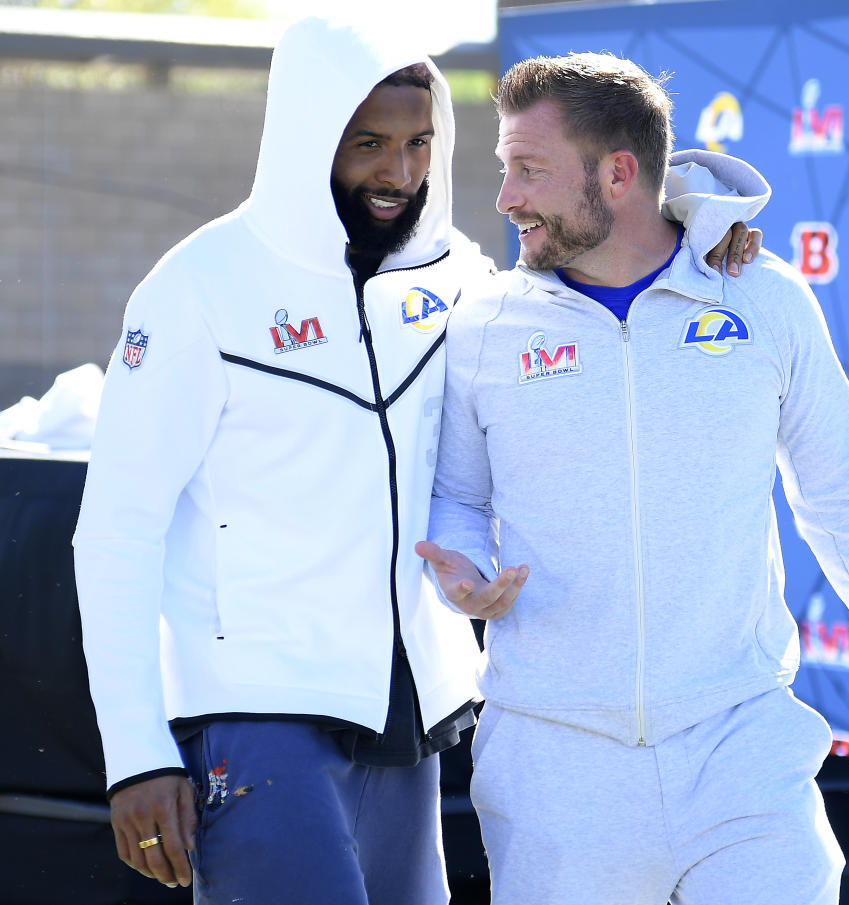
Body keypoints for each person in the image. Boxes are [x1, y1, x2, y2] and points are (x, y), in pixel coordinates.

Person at [72, 16, 758, 905]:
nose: (397, 174)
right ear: (305, 138)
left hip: (414, 717)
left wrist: (704, 224)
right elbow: (115, 532)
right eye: (367, 145)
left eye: (418, 144)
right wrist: (135, 757)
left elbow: (595, 249)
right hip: (256, 713)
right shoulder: (197, 289)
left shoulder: (458, 279)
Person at [416, 52, 849, 905]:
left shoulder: (761, 298)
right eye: (506, 169)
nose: (505, 197)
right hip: (555, 768)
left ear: (617, 174)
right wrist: (463, 570)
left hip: (742, 749)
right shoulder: (482, 324)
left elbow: (838, 498)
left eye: (528, 170)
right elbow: (458, 497)